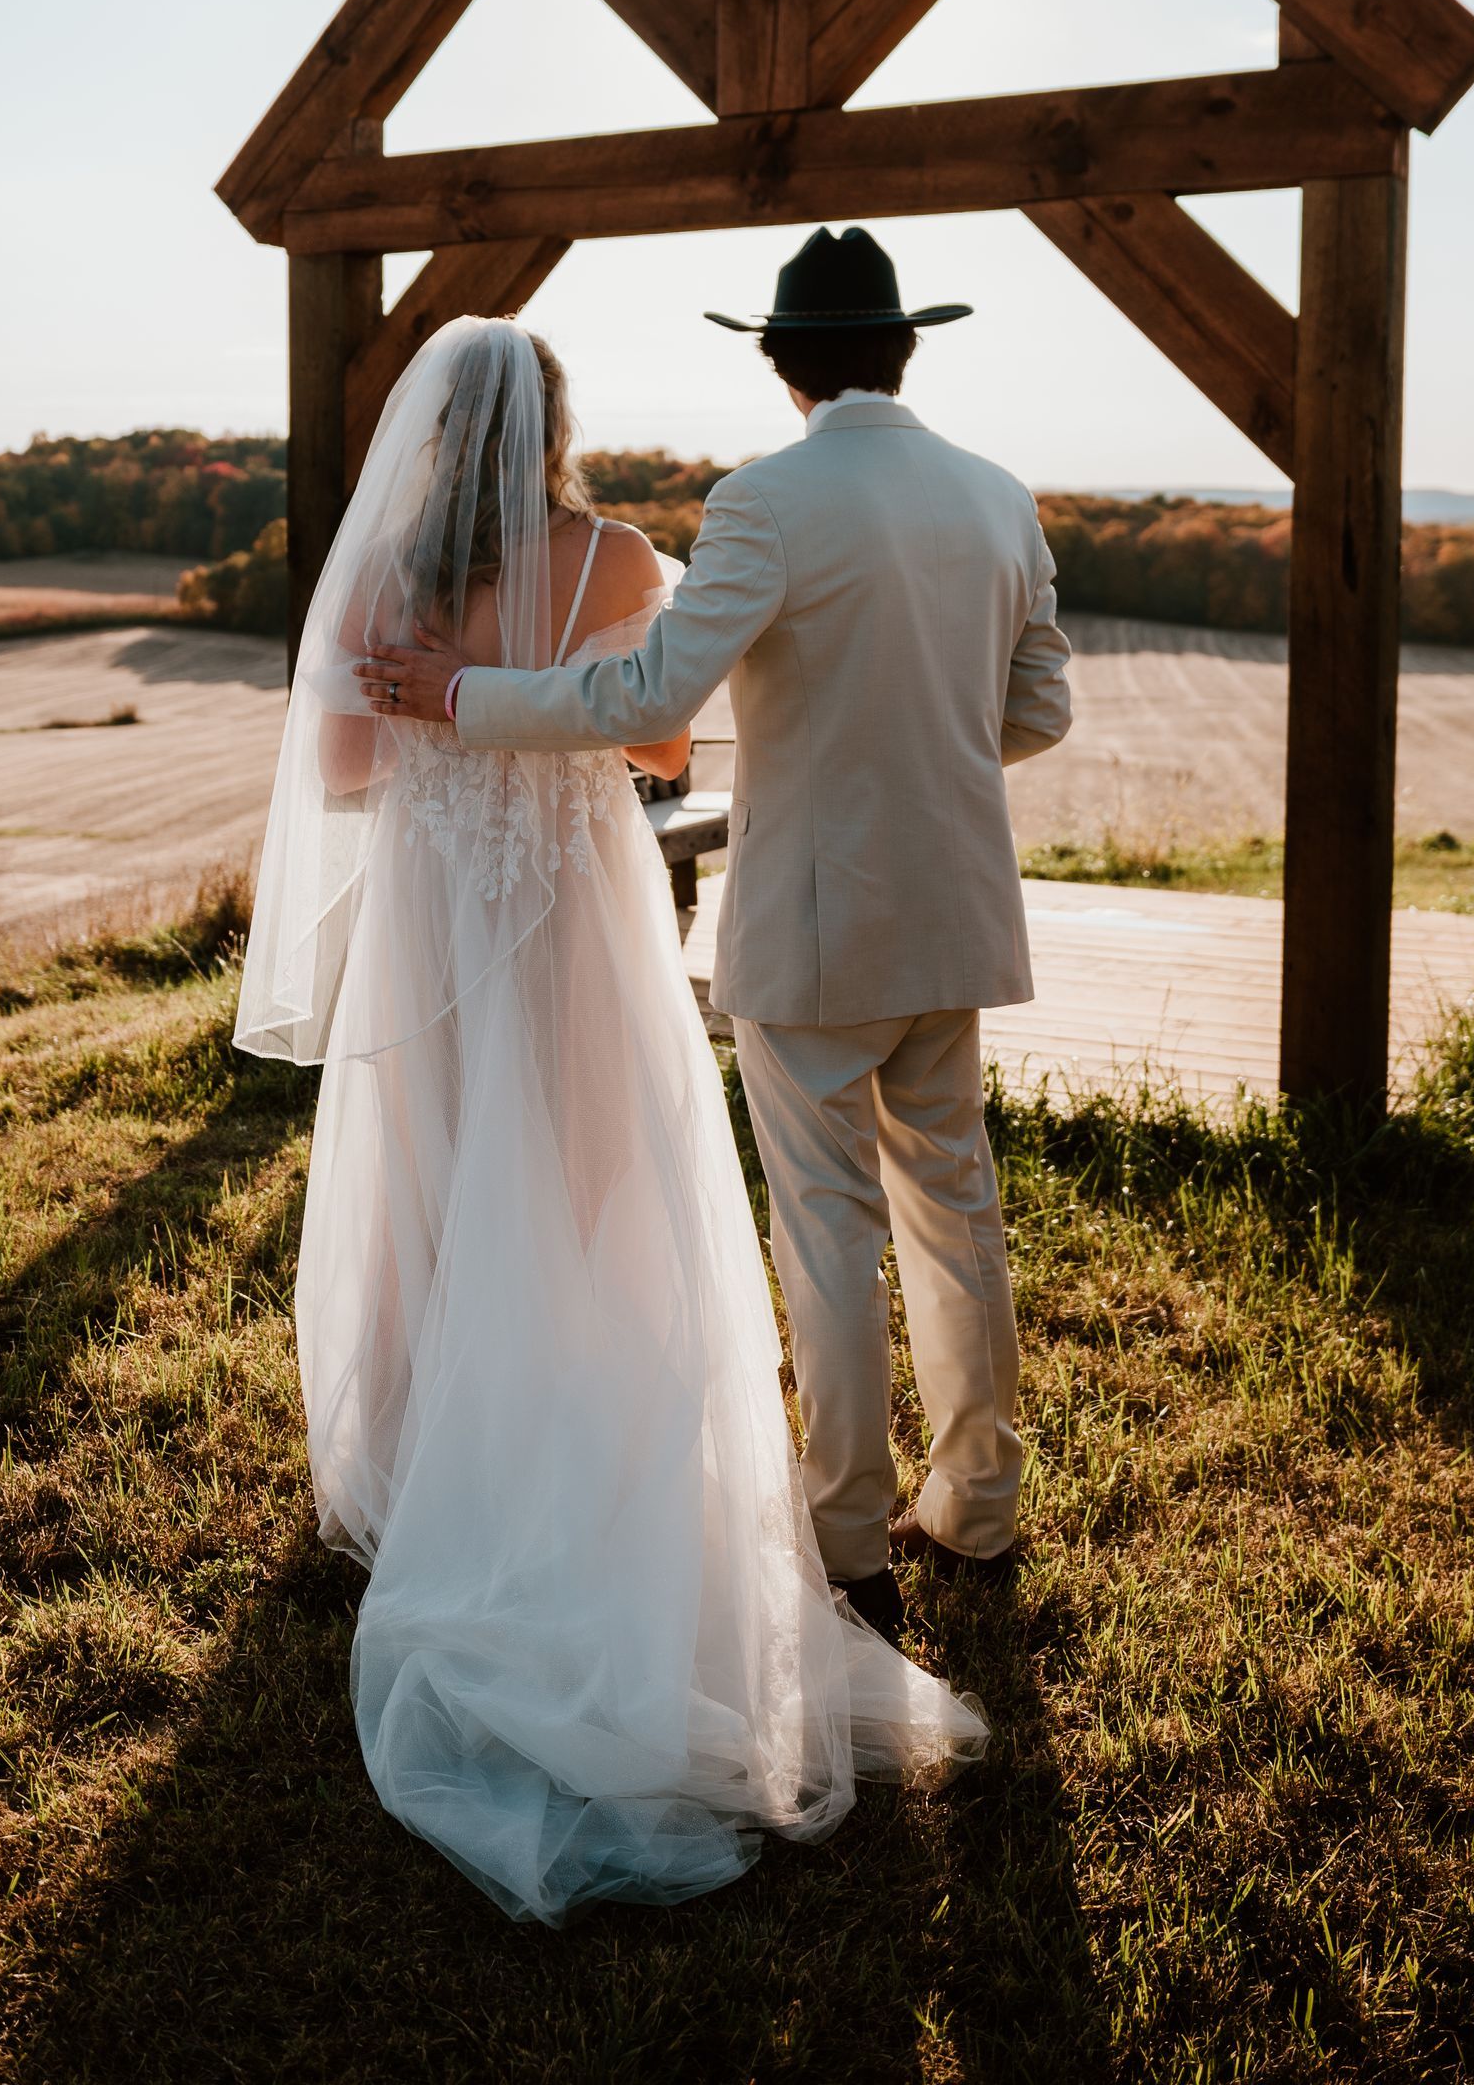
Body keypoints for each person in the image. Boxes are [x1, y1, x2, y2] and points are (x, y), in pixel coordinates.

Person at [236, 307, 986, 1928]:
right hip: (575, 900)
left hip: (440, 911)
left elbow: (351, 772)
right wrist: (549, 702)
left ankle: (434, 1447)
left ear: (440, 433)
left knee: (435, 1171)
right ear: (559, 422)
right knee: (591, 1179)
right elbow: (656, 737)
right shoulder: (624, 554)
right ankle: (587, 1404)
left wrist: (452, 718)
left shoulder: (388, 580)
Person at [363, 224, 1073, 1639]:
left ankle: (850, 1539)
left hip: (816, 930)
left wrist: (455, 698)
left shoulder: (763, 503)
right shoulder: (1000, 498)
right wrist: (922, 741)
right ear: (903, 348)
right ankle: (980, 1503)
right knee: (958, 1204)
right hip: (956, 912)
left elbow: (646, 699)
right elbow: (1038, 708)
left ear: (784, 365)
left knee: (828, 1227)